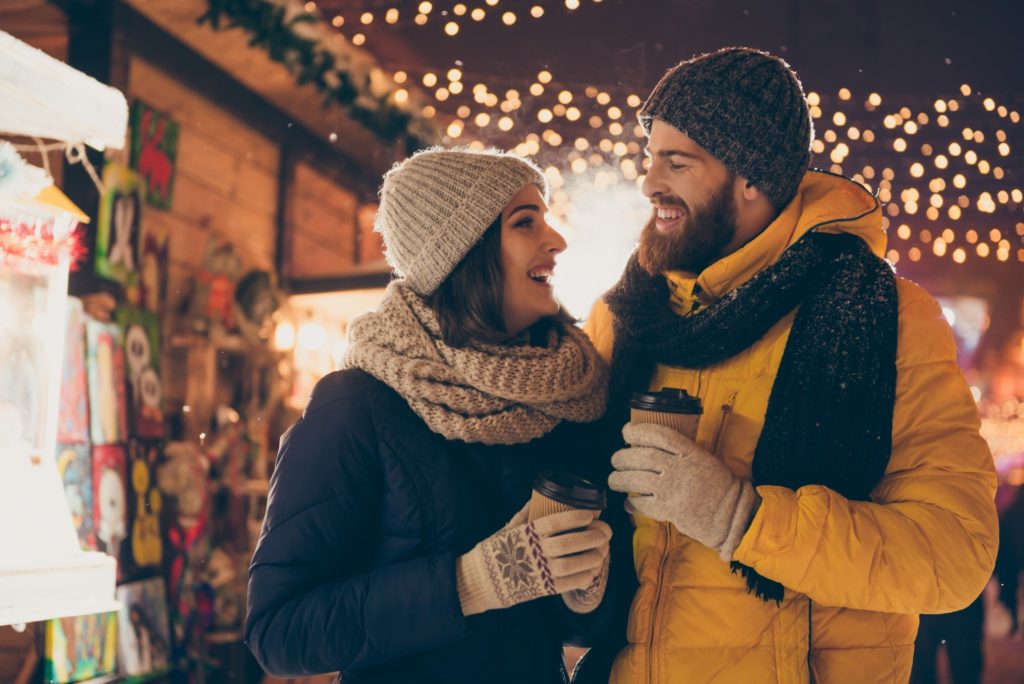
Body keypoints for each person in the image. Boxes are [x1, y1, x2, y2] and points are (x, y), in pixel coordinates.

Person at [584, 46, 999, 683]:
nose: (649, 183)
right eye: (650, 157)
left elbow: (953, 555)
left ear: (753, 181)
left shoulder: (883, 316)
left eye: (678, 161)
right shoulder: (626, 316)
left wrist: (742, 519)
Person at [245, 147, 616, 683]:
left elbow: (581, 632)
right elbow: (279, 633)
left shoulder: (569, 399)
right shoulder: (359, 403)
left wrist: (589, 589)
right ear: (464, 252)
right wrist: (468, 583)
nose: (556, 240)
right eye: (525, 222)